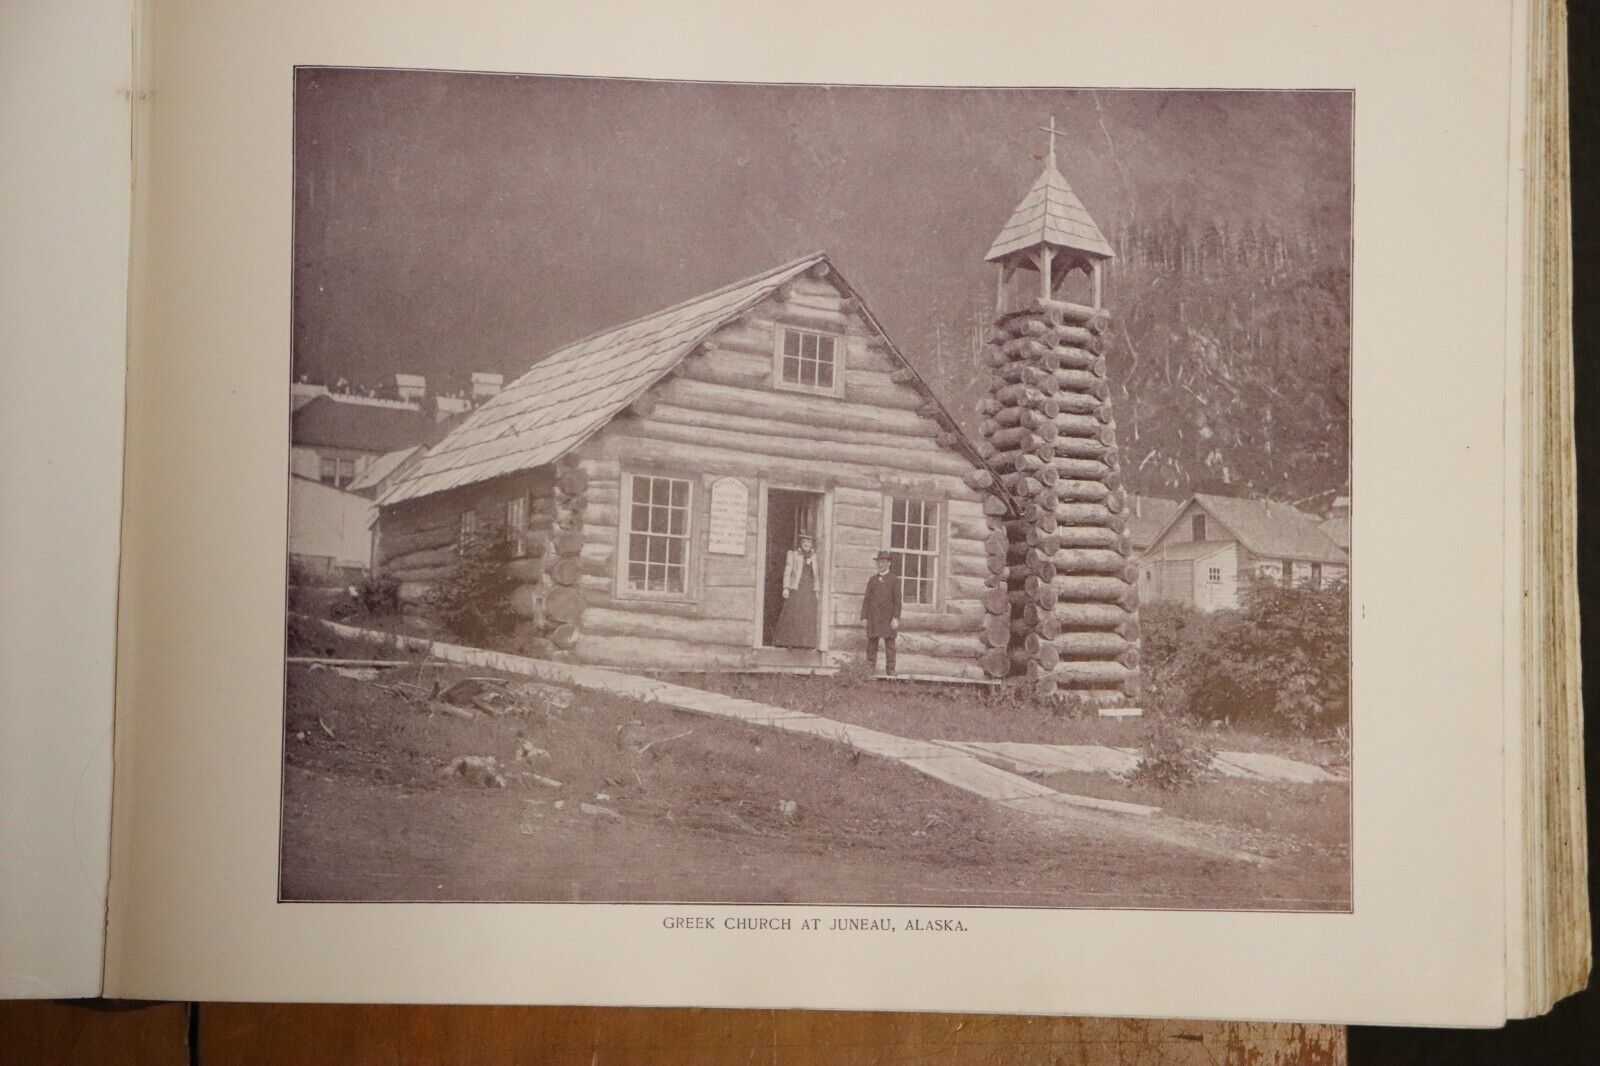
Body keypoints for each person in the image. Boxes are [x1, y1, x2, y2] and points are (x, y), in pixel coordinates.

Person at [773, 533, 820, 648]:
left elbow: (816, 575)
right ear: (801, 543)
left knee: (806, 616)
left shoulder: (813, 557)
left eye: (809, 542)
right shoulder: (793, 554)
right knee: (793, 615)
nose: (807, 544)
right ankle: (789, 642)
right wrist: (786, 587)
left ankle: (805, 644)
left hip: (808, 590)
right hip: (796, 588)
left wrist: (817, 590)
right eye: (805, 541)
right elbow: (787, 571)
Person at [860, 550, 902, 677]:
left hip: (888, 617)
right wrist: (864, 616)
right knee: (872, 643)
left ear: (888, 563)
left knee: (890, 644)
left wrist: (895, 618)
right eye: (879, 562)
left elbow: (897, 601)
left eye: (883, 562)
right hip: (874, 617)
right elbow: (866, 599)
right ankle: (869, 668)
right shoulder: (872, 580)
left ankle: (891, 669)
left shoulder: (894, 579)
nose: (881, 565)